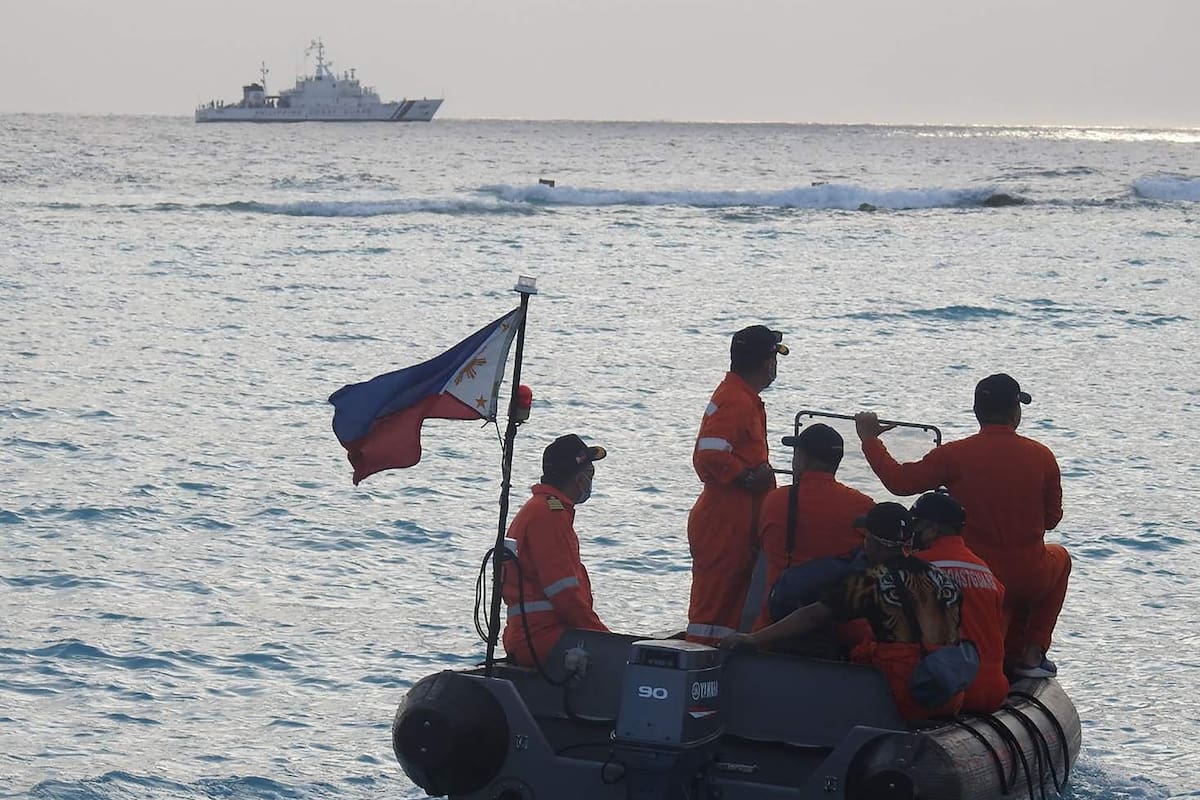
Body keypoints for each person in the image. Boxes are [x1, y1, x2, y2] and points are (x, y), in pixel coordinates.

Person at [854, 373, 1069, 679]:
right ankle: (1032, 653)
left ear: (977, 410)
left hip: (972, 577)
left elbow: (900, 483)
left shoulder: (954, 455)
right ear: (1015, 412)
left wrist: (870, 441)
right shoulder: (1043, 456)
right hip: (1027, 577)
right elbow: (1051, 520)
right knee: (1060, 558)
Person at [722, 502, 966, 721]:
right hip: (949, 693)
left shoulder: (873, 581)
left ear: (873, 541)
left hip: (905, 696)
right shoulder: (941, 577)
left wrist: (753, 639)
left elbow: (813, 615)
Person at [686, 325, 788, 645]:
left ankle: (718, 663)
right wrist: (746, 477)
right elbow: (709, 452)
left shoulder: (743, 397)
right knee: (714, 605)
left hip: (736, 519)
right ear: (765, 361)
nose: (775, 366)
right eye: (774, 358)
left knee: (730, 603)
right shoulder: (737, 400)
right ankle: (701, 666)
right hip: (725, 519)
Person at [754, 423, 874, 633]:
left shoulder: (775, 500)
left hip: (775, 624)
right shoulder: (862, 505)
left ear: (803, 459)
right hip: (843, 628)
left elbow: (763, 544)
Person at [502, 434, 609, 667]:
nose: (591, 480)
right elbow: (564, 594)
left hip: (535, 633)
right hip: (544, 637)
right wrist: (604, 638)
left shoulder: (540, 509)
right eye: (590, 473)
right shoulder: (550, 516)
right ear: (579, 478)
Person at [910, 491, 1009, 713]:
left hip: (950, 690)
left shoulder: (914, 567)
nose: (911, 532)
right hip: (994, 690)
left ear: (932, 529)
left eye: (916, 525)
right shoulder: (984, 571)